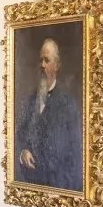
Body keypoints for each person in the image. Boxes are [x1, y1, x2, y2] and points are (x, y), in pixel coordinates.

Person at [15, 36, 83, 190]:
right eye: (40, 60)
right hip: (28, 188)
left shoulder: (68, 105)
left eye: (47, 60)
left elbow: (75, 156)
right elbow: (18, 137)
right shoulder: (28, 101)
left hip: (57, 187)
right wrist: (22, 152)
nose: (42, 65)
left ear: (57, 65)